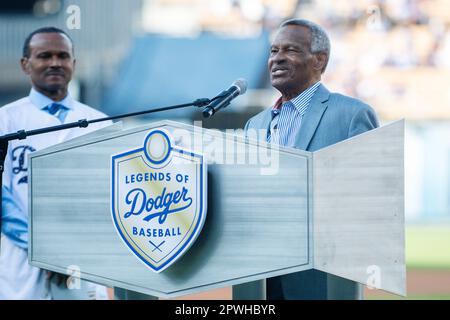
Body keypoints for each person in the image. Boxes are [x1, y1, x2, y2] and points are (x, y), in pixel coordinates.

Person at [244, 19, 380, 300]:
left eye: (290, 50)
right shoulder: (254, 125)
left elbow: (369, 198)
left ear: (319, 60)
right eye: (273, 51)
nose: (277, 58)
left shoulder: (352, 115)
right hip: (259, 279)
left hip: (321, 279)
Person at [0, 27, 112, 300]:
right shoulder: (6, 120)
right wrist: (47, 251)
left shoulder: (101, 124)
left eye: (63, 56)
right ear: (25, 64)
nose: (54, 63)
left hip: (85, 258)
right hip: (20, 262)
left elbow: (108, 199)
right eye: (44, 55)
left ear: (74, 63)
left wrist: (71, 251)